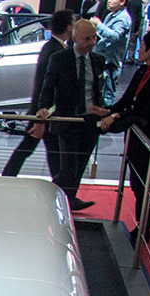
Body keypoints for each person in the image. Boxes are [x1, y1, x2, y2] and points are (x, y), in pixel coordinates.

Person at [99, 28, 150, 242]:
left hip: (148, 135)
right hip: (134, 133)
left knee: (140, 184)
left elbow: (146, 110)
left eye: (142, 46)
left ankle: (147, 227)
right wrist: (109, 111)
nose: (138, 50)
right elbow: (128, 100)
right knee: (139, 184)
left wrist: (116, 116)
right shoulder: (142, 71)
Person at [36, 18, 109, 212]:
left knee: (80, 166)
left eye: (94, 37)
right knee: (69, 169)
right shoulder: (59, 59)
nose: (92, 42)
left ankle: (68, 201)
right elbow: (48, 86)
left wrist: (103, 111)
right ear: (75, 39)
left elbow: (97, 90)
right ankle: (49, 197)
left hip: (90, 122)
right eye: (87, 38)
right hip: (67, 121)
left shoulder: (98, 60)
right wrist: (43, 107)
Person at [2, 9, 73, 179]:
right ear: (68, 27)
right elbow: (46, 84)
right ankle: (8, 177)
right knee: (37, 149)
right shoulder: (55, 51)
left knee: (44, 150)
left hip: (44, 110)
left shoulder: (52, 47)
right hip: (45, 111)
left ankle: (8, 177)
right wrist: (43, 111)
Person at [91, 0, 132, 102]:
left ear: (122, 1)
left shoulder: (123, 18)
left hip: (111, 62)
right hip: (103, 58)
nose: (109, 1)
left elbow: (115, 36)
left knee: (107, 95)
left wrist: (99, 25)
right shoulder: (111, 15)